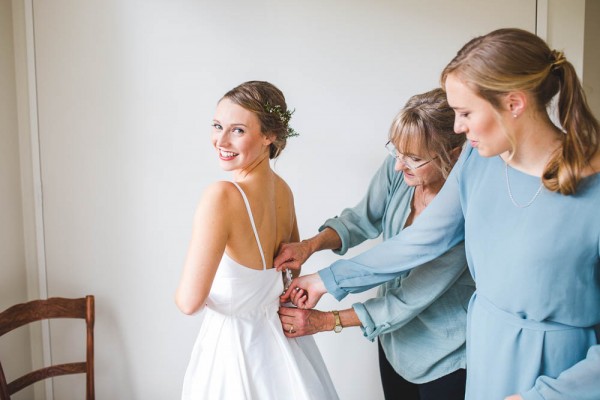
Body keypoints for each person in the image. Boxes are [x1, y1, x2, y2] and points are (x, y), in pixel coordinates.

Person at [283, 28, 600, 400]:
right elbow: (421, 239)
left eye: (465, 112)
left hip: (558, 371)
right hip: (484, 351)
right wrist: (325, 279)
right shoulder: (476, 161)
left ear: (514, 104)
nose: (457, 128)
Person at [276, 88, 472, 400]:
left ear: (455, 154)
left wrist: (326, 321)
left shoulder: (462, 215)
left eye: (415, 158)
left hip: (445, 356)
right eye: (397, 151)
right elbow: (361, 219)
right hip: (393, 341)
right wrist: (310, 245)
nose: (399, 165)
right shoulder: (401, 171)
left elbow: (405, 300)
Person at [176, 81, 338, 399]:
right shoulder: (283, 190)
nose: (220, 140)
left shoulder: (221, 196)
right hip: (284, 349)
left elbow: (189, 301)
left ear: (269, 136)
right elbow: (290, 276)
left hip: (233, 351)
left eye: (237, 130)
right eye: (217, 125)